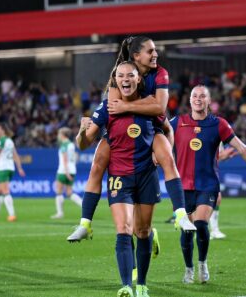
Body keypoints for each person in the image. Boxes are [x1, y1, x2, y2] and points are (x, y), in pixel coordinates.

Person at [68, 36, 195, 243]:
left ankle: (180, 214)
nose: (155, 54)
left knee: (167, 159)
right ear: (136, 56)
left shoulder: (159, 73)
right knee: (97, 164)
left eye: (155, 50)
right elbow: (113, 108)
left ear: (137, 78)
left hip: (150, 128)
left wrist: (127, 106)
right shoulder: (119, 76)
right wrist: (84, 131)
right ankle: (85, 224)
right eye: (150, 51)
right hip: (121, 134)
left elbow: (158, 108)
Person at [171, 85, 246, 284]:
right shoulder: (178, 122)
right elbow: (160, 139)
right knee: (186, 231)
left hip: (208, 185)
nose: (198, 99)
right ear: (190, 99)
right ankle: (188, 268)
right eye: (195, 95)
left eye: (203, 96)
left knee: (201, 224)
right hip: (182, 187)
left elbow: (242, 148)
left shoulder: (219, 124)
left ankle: (202, 263)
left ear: (209, 101)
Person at [77, 61, 160, 297]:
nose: (125, 79)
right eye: (120, 75)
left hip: (145, 175)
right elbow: (83, 143)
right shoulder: (107, 107)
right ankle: (126, 285)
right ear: (116, 80)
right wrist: (83, 130)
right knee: (123, 229)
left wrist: (159, 150)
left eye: (130, 75)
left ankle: (142, 284)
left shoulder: (151, 105)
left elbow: (167, 129)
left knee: (142, 232)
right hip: (119, 176)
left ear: (138, 79)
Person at [0, 123, 25, 222]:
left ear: (3, 130)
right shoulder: (9, 141)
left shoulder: (2, 140)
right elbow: (15, 155)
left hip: (3, 168)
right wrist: (19, 168)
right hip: (9, 168)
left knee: (5, 191)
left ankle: (12, 215)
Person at [51, 127, 82, 219]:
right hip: (72, 169)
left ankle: (59, 213)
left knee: (59, 192)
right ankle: (84, 206)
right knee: (69, 192)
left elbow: (64, 159)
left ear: (62, 135)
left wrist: (66, 172)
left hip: (63, 170)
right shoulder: (71, 144)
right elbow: (76, 157)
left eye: (59, 134)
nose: (58, 136)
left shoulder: (64, 145)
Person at [210, 146, 238, 239]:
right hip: (200, 171)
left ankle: (213, 230)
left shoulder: (219, 137)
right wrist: (222, 155)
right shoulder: (207, 133)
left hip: (210, 170)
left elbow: (215, 158)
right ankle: (204, 230)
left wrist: (223, 157)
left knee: (216, 198)